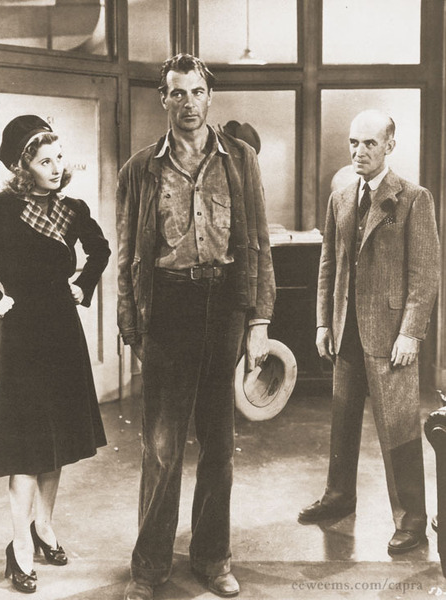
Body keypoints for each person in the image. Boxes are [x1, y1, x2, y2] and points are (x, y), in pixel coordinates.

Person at [116, 54, 275, 600]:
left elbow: (258, 243)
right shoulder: (140, 168)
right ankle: (149, 568)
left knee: (219, 447)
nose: (189, 103)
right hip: (167, 309)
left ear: (210, 96)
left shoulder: (241, 160)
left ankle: (212, 558)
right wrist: (132, 327)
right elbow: (127, 255)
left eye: (197, 92)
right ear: (163, 98)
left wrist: (258, 319)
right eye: (178, 93)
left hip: (224, 306)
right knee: (162, 449)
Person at [0, 115, 110, 593]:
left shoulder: (72, 208)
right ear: (23, 168)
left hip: (63, 336)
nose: (57, 168)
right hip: (22, 340)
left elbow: (100, 249)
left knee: (55, 444)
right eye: (45, 161)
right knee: (25, 452)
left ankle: (43, 528)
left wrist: (83, 285)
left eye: (59, 157)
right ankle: (19, 548)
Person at [298, 109, 441, 555]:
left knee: (399, 427)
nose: (359, 151)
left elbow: (425, 273)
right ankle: (339, 496)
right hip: (346, 332)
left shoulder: (414, 198)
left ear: (389, 146)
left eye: (370, 144)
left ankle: (411, 520)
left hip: (391, 336)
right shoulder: (341, 198)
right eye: (354, 143)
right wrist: (324, 322)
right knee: (342, 422)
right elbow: (328, 264)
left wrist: (411, 333)